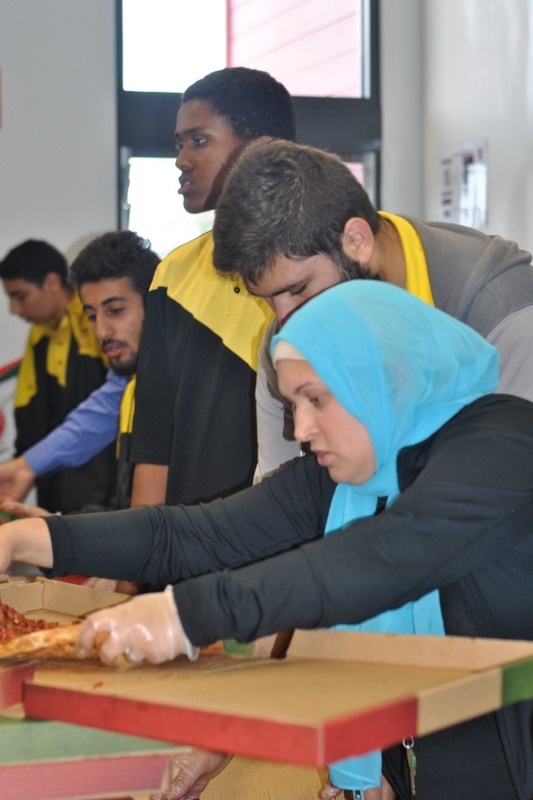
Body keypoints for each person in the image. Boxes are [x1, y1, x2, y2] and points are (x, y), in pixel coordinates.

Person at [3, 282, 533, 800]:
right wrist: (27, 539)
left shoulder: (502, 443)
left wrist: (182, 615)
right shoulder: (352, 474)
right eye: (293, 402)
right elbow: (190, 534)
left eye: (316, 399)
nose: (300, 428)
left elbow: (383, 558)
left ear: (385, 379)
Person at [211, 138, 533, 478]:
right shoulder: (286, 346)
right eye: (266, 298)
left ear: (357, 241)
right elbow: (277, 500)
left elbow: (505, 495)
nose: (284, 321)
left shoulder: (501, 311)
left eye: (298, 289)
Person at [129, 67, 296, 508]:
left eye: (198, 141)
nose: (182, 159)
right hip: (190, 550)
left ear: (262, 147)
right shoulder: (173, 274)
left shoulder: (322, 263)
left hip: (296, 547)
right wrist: (136, 567)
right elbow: (154, 444)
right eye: (178, 144)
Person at [0, 230, 159, 516]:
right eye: (91, 316)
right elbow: (106, 406)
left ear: (155, 303)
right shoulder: (130, 374)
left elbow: (152, 527)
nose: (101, 332)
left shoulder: (186, 376)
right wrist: (26, 465)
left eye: (116, 310)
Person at [0, 239, 116, 513]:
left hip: (104, 488)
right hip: (52, 479)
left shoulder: (95, 324)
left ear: (52, 282)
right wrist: (23, 468)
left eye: (20, 296)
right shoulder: (39, 334)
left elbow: (122, 399)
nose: (14, 310)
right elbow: (27, 410)